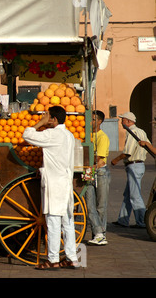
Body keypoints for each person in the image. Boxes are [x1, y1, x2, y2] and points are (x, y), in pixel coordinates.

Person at [22, 106, 79, 269]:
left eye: (48, 116)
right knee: (68, 221)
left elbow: (27, 135)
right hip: (64, 183)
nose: (45, 118)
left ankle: (53, 259)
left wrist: (40, 122)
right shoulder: (68, 134)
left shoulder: (52, 134)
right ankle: (72, 258)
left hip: (55, 184)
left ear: (53, 119)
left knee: (53, 222)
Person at [111, 112, 150, 228]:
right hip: (138, 165)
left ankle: (142, 221)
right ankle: (123, 220)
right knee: (128, 194)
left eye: (123, 120)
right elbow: (148, 146)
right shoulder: (141, 131)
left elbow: (127, 152)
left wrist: (115, 160)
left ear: (128, 121)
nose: (121, 123)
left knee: (134, 195)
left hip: (134, 165)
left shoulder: (132, 132)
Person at [85, 110, 111, 245]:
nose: (91, 122)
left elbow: (99, 158)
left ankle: (101, 234)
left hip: (100, 172)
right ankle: (98, 233)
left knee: (101, 205)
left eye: (94, 119)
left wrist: (85, 154)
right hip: (89, 171)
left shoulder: (102, 137)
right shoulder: (86, 135)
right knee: (89, 204)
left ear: (100, 121)